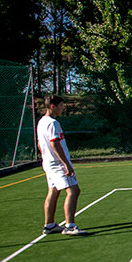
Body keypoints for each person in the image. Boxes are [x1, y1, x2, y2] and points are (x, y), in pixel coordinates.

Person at [37, 95, 86, 236]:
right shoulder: (53, 123)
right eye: (61, 105)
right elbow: (54, 143)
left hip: (48, 163)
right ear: (53, 106)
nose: (63, 108)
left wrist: (46, 157)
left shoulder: (41, 122)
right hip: (58, 163)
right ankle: (70, 226)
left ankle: (49, 225)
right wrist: (65, 164)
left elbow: (40, 144)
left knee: (53, 191)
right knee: (73, 191)